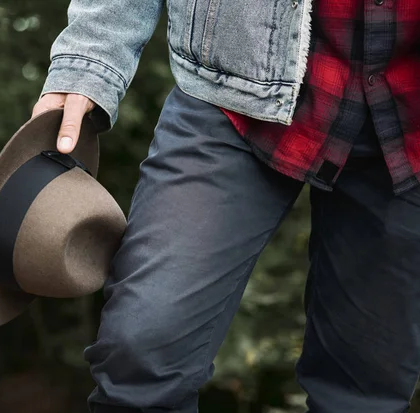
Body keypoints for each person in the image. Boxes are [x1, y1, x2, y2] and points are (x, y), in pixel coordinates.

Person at [32, 0, 420, 411]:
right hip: (231, 91)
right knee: (143, 353)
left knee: (364, 393)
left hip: (410, 124)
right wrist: (89, 59)